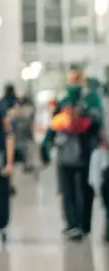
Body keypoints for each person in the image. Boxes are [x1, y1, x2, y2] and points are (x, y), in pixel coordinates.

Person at [43, 67, 103, 240]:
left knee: (85, 188)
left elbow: (96, 123)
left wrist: (80, 119)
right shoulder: (63, 101)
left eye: (76, 77)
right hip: (65, 153)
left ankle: (83, 223)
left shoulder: (91, 100)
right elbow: (53, 125)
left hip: (85, 151)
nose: (74, 81)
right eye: (72, 77)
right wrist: (47, 144)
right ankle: (72, 223)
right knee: (67, 189)